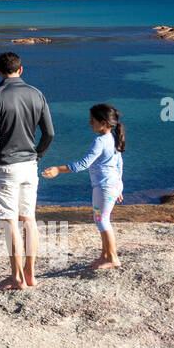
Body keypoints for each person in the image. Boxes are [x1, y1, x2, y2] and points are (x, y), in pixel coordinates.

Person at [0, 51, 54, 291]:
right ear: (21, 70)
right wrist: (38, 154)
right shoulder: (37, 94)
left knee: (11, 222)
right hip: (29, 166)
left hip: (5, 166)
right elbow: (49, 133)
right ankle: (30, 274)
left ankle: (16, 278)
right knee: (29, 219)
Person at [43, 104, 125, 270]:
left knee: (102, 221)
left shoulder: (100, 141)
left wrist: (59, 169)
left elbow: (84, 164)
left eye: (92, 120)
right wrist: (119, 187)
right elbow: (119, 164)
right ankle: (105, 255)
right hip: (112, 184)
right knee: (100, 219)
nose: (90, 124)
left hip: (104, 186)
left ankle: (113, 257)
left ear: (103, 122)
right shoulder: (113, 138)